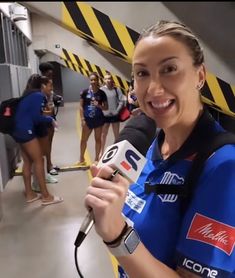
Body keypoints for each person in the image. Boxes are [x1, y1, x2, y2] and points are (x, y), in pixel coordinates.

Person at [84, 20, 235, 277]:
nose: (153, 89)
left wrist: (117, 236)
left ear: (200, 76)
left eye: (169, 69)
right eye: (142, 73)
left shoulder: (224, 168)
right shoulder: (152, 144)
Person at [12, 74, 63, 205]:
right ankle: (46, 196)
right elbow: (36, 117)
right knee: (39, 160)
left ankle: (29, 194)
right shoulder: (38, 96)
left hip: (17, 131)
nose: (51, 89)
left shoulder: (28, 95)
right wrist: (50, 119)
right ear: (42, 86)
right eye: (49, 86)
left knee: (27, 162)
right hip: (26, 131)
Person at [76, 72, 108, 167]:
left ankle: (96, 159)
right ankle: (81, 158)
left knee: (98, 139)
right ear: (89, 80)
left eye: (95, 79)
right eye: (91, 79)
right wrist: (82, 119)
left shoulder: (102, 93)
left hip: (98, 120)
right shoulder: (84, 92)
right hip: (87, 120)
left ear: (98, 80)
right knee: (83, 140)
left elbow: (106, 107)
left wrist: (99, 105)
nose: (93, 81)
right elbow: (81, 107)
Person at [39, 62, 60, 176]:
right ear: (44, 73)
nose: (51, 76)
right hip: (45, 116)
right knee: (45, 143)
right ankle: (47, 167)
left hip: (51, 116)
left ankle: (49, 164)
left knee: (49, 142)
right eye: (49, 74)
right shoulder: (40, 84)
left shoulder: (48, 82)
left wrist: (55, 97)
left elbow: (50, 97)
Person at [99, 73, 125, 157]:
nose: (108, 80)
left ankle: (117, 152)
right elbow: (98, 102)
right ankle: (101, 152)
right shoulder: (101, 90)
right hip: (105, 115)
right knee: (103, 134)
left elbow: (121, 100)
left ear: (112, 80)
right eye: (106, 79)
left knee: (116, 135)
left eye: (110, 78)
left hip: (115, 115)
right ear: (104, 80)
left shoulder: (117, 89)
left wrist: (117, 111)